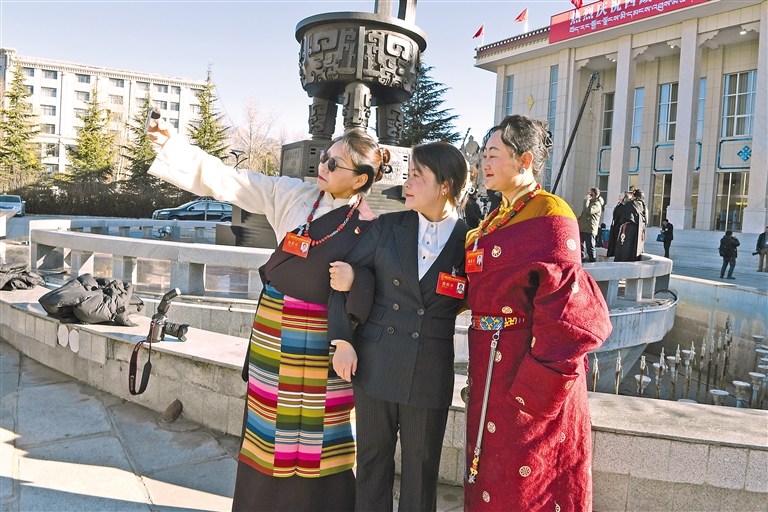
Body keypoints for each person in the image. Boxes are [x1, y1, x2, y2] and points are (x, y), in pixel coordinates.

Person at [147, 117, 391, 512]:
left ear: (360, 180)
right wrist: (173, 146)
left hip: (326, 342)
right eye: (324, 157)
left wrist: (356, 280)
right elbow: (230, 180)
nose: (322, 167)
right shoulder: (292, 195)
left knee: (322, 433)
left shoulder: (372, 228)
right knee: (268, 425)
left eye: (334, 164)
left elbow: (382, 287)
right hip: (274, 333)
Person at [462, 114, 612, 511]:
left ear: (524, 160)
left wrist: (534, 390)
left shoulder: (551, 213)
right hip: (490, 369)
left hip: (525, 376)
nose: (484, 163)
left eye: (494, 154)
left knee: (526, 485)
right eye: (484, 155)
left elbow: (567, 312)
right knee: (489, 474)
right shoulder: (496, 218)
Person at [327, 142, 470, 512]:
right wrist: (342, 340)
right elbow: (341, 279)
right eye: (408, 175)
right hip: (376, 360)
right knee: (372, 462)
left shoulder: (470, 242)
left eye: (417, 176)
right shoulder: (388, 227)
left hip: (429, 368)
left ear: (445, 186)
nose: (406, 184)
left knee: (422, 470)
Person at [607, 191, 646, 262]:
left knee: (626, 249)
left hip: (628, 229)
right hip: (636, 230)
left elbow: (617, 213)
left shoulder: (629, 204)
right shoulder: (642, 206)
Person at [577, 187, 604, 262]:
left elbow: (588, 211)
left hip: (590, 228)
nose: (589, 195)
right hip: (583, 227)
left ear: (595, 195)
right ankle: (581, 259)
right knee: (581, 246)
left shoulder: (597, 204)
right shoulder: (590, 203)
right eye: (588, 193)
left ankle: (592, 260)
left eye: (591, 194)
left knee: (590, 246)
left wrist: (586, 200)